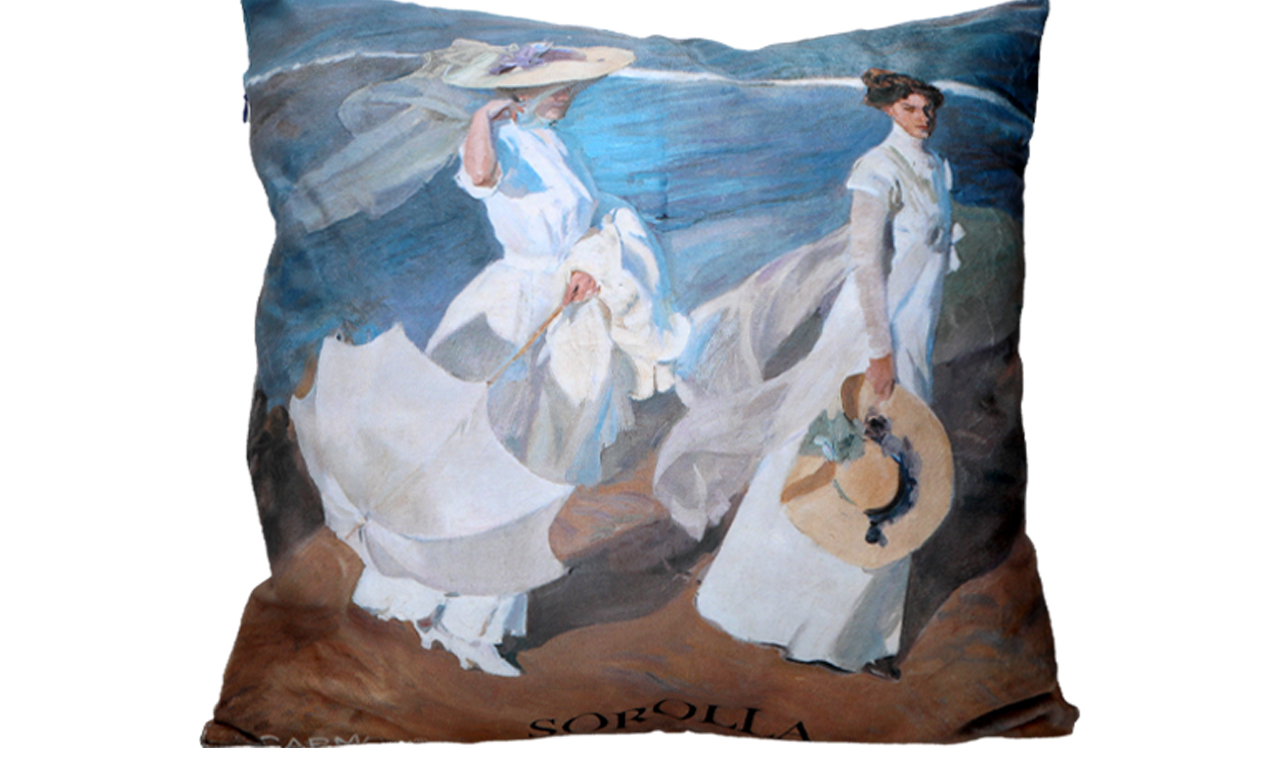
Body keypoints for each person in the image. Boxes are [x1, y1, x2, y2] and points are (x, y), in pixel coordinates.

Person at [290, 41, 688, 676]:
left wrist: (591, 263)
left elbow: (586, 219)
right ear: (521, 92)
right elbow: (479, 177)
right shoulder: (502, 140)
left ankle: (474, 620)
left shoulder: (559, 143)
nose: (569, 92)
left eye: (570, 83)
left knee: (538, 455)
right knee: (475, 447)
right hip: (513, 305)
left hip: (568, 308)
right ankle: (429, 604)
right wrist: (484, 117)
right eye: (557, 83)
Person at [655, 68, 961, 676]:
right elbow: (865, 264)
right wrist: (879, 351)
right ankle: (769, 610)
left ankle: (861, 636)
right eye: (911, 107)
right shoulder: (877, 169)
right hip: (871, 337)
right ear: (889, 110)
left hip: (913, 332)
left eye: (929, 107)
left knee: (901, 469)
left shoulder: (939, 169)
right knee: (837, 458)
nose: (923, 116)